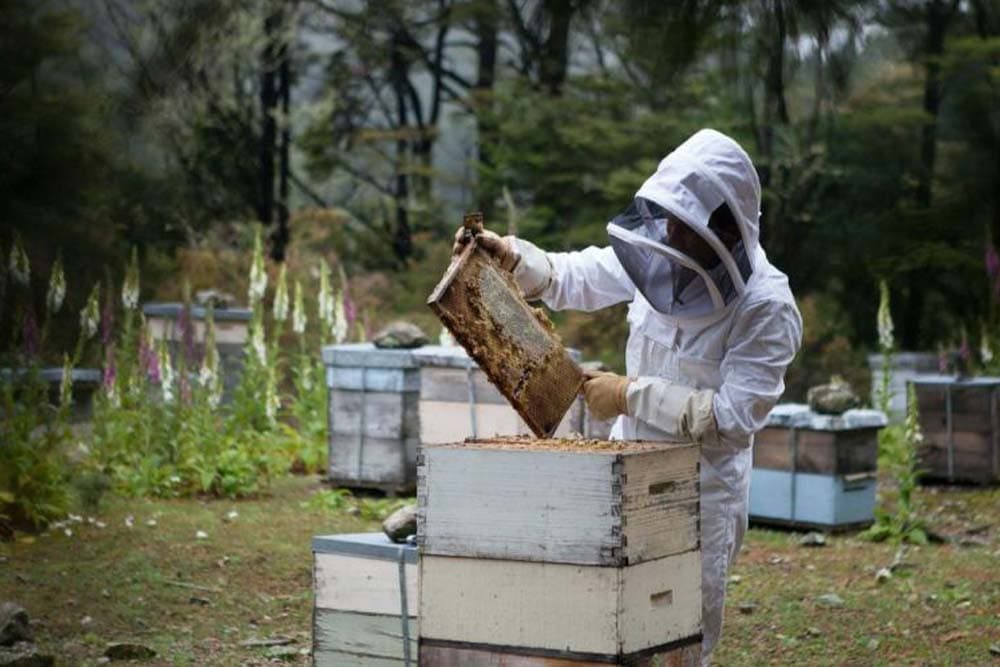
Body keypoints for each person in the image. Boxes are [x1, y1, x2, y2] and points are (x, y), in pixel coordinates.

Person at [453, 128, 802, 664]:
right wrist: (511, 258)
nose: (674, 237)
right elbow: (575, 276)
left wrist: (628, 394)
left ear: (725, 227)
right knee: (604, 630)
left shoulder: (767, 308)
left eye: (689, 228)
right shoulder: (659, 251)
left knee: (675, 640)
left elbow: (733, 419)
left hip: (700, 495)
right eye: (672, 223)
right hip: (625, 473)